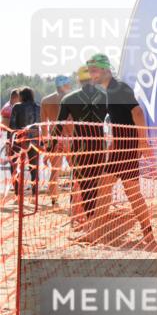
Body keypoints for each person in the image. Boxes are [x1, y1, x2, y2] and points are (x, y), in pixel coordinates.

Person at [85, 54, 156, 247]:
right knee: (105, 188)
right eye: (90, 71)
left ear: (105, 69)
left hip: (127, 148)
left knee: (130, 192)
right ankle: (95, 233)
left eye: (94, 71)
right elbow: (123, 119)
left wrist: (143, 142)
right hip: (121, 147)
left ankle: (148, 235)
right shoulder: (112, 90)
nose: (92, 75)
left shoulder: (118, 88)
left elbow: (137, 112)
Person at [50, 66, 106, 224]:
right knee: (95, 184)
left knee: (83, 184)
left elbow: (58, 127)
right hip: (98, 146)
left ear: (78, 80)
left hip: (80, 147)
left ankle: (89, 221)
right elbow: (115, 121)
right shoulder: (106, 97)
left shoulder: (68, 99)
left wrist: (49, 145)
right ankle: (92, 221)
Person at [40, 74, 74, 200]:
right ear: (66, 85)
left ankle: (54, 199)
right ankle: (74, 199)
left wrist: (46, 144)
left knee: (55, 171)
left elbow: (44, 126)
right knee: (76, 170)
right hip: (70, 138)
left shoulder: (46, 101)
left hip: (54, 139)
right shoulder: (71, 99)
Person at [7, 87, 41, 197]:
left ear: (22, 96)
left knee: (14, 166)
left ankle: (18, 193)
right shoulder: (38, 108)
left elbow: (12, 126)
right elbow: (39, 126)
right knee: (34, 168)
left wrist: (9, 142)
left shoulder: (17, 107)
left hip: (19, 140)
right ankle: (34, 194)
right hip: (34, 140)